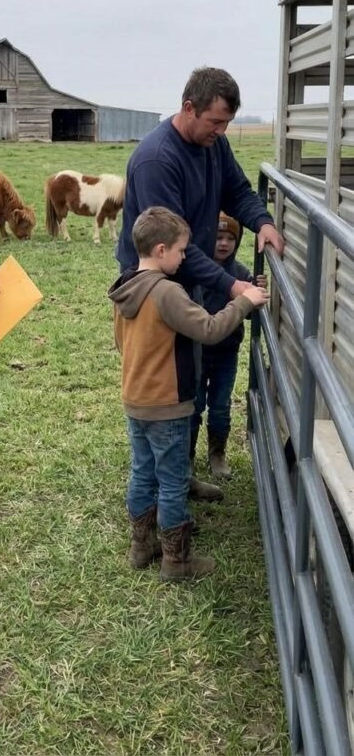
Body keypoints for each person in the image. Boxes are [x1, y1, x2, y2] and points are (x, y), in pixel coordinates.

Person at [116, 66, 284, 502]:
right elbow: (171, 249)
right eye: (215, 122)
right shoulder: (158, 159)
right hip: (156, 289)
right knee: (167, 388)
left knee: (187, 380)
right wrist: (232, 287)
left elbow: (238, 189)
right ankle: (159, 486)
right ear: (188, 108)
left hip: (187, 278)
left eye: (227, 123)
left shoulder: (214, 145)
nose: (221, 131)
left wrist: (261, 221)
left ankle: (178, 475)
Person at [108, 207, 269, 582]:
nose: (186, 258)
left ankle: (141, 544)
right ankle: (177, 562)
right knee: (174, 479)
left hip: (136, 401)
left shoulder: (126, 284)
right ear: (162, 250)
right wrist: (244, 301)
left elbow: (120, 343)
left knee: (142, 473)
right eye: (182, 251)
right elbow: (210, 329)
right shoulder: (166, 292)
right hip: (168, 404)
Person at [191, 213, 267, 479]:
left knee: (221, 405)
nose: (223, 243)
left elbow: (248, 313)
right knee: (195, 404)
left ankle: (217, 454)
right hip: (197, 351)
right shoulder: (195, 272)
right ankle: (187, 456)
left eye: (230, 238)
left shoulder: (241, 273)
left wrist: (257, 293)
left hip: (227, 352)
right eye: (218, 237)